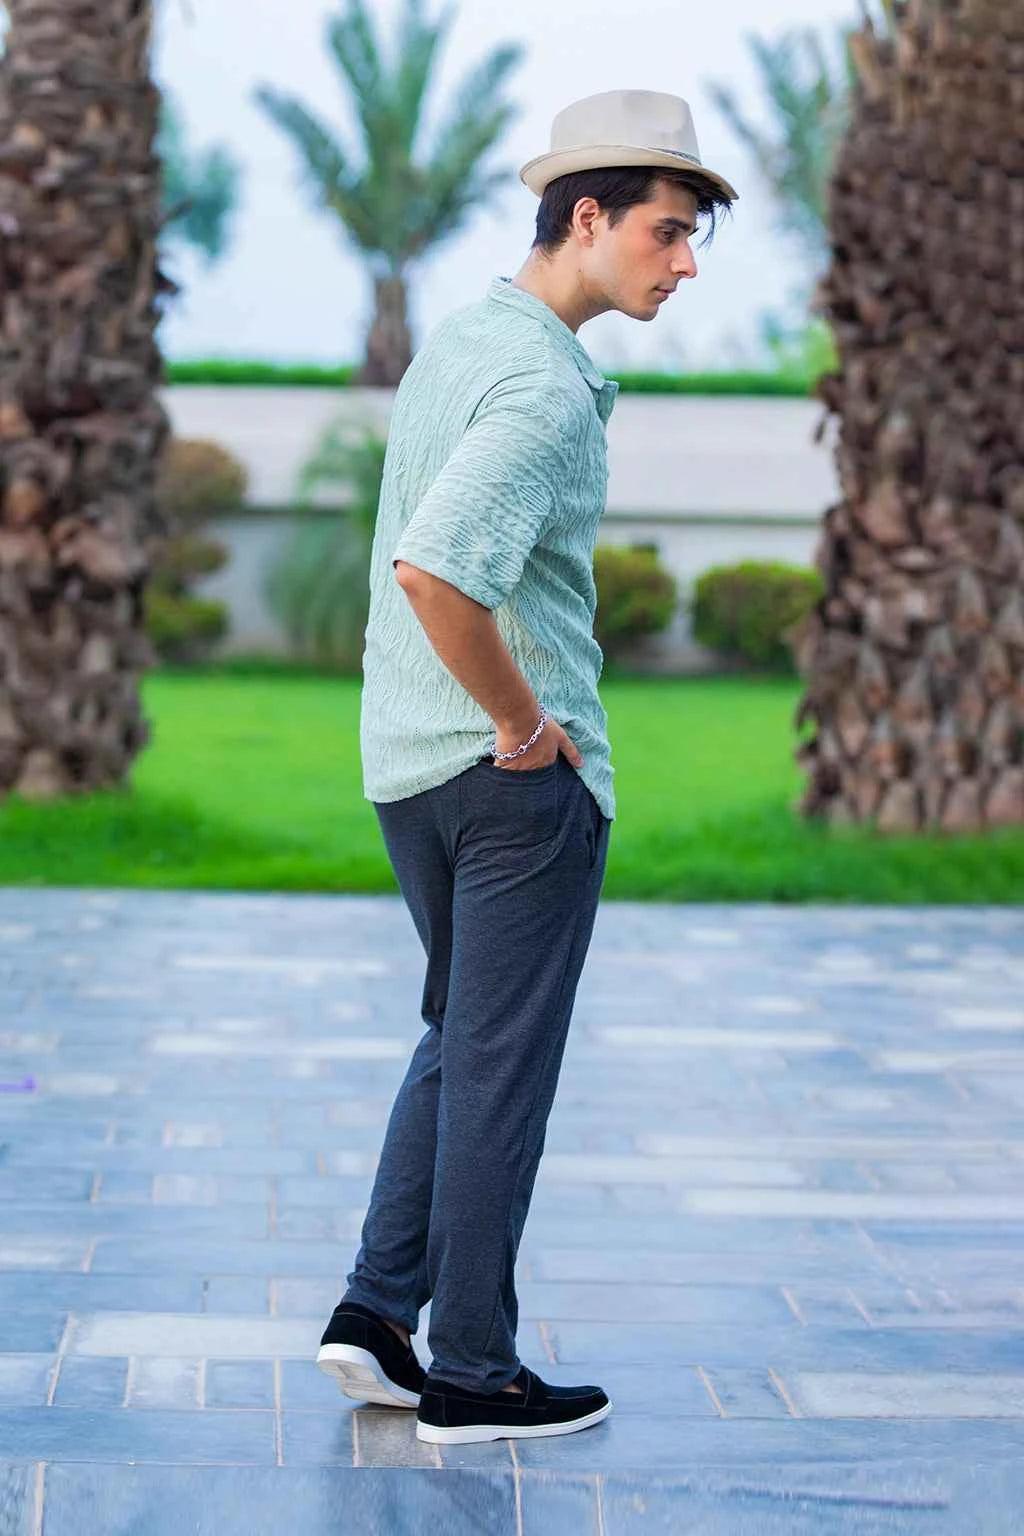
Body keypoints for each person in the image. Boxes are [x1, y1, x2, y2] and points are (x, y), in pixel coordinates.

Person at [316, 89, 737, 1446]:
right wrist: (522, 729)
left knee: (463, 1043)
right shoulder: (545, 387)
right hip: (509, 784)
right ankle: (475, 1373)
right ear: (588, 217)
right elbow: (436, 570)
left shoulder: (464, 342)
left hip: (409, 769)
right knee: (501, 1068)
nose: (685, 264)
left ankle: (378, 1317)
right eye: (669, 233)